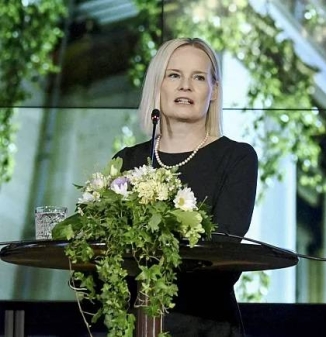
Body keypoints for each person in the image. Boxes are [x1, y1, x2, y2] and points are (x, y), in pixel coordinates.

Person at [113, 38, 258, 337]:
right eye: (174, 75)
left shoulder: (237, 158)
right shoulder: (128, 159)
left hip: (205, 325)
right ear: (158, 85)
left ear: (213, 91)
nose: (185, 86)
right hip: (133, 324)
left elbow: (224, 250)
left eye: (199, 77)